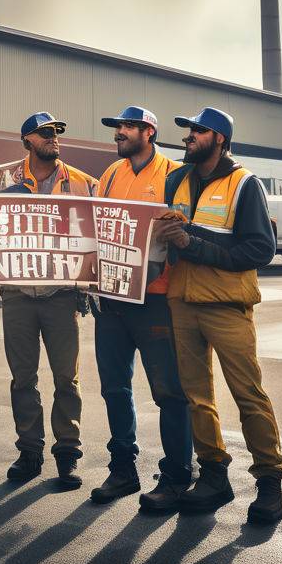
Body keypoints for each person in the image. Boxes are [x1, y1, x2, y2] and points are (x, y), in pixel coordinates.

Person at [155, 107, 282, 524]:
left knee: (249, 395)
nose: (189, 136)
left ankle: (270, 483)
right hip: (182, 301)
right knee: (197, 398)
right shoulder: (175, 179)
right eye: (188, 129)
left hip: (227, 305)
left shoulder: (244, 184)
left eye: (198, 130)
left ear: (220, 139)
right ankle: (214, 475)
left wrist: (191, 242)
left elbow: (258, 251)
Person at [89, 106, 192, 511]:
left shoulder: (173, 174)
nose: (119, 133)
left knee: (169, 392)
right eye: (117, 127)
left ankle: (177, 475)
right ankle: (123, 470)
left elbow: (182, 232)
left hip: (155, 302)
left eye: (127, 127)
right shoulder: (111, 175)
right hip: (112, 300)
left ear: (149, 131)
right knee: (114, 387)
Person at [1, 112, 98, 489]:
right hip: (18, 296)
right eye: (45, 133)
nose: (54, 138)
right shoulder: (3, 182)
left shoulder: (84, 184)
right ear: (27, 139)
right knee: (23, 378)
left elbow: (99, 237)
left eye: (57, 131)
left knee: (66, 379)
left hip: (61, 297)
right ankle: (29, 451)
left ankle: (67, 453)